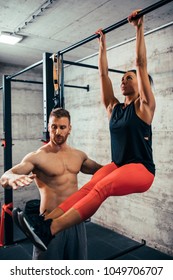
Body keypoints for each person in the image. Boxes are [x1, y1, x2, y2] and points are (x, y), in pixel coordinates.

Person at [7, 9, 156, 252]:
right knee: (89, 187)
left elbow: (140, 63)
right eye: (124, 78)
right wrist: (102, 46)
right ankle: (43, 221)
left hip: (141, 169)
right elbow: (104, 75)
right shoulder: (114, 108)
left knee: (102, 188)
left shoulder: (144, 108)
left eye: (130, 78)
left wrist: (139, 28)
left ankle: (51, 229)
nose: (124, 80)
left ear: (142, 85)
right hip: (119, 164)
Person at [0, 107, 103, 259]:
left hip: (75, 220)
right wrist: (11, 177)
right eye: (54, 127)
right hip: (49, 223)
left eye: (62, 127)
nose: (58, 132)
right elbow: (5, 178)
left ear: (69, 129)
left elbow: (102, 171)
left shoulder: (78, 156)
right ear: (48, 127)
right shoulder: (38, 157)